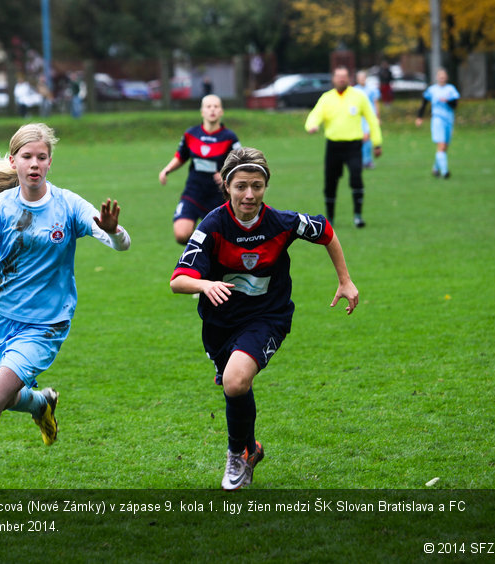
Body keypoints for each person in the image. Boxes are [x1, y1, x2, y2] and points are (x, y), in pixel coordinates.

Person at [0, 123, 130, 513]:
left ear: (50, 162)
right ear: (14, 160)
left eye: (42, 157)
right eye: (27, 157)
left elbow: (122, 243)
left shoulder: (68, 205)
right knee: (2, 399)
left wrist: (113, 232)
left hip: (45, 324)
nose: (35, 164)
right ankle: (41, 403)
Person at [170, 146, 359, 490]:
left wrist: (344, 280)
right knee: (235, 384)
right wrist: (207, 283)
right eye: (241, 185)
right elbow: (178, 280)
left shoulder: (281, 222)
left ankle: (236, 456)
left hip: (267, 317)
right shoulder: (212, 226)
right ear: (226, 186)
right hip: (219, 325)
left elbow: (325, 230)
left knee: (235, 380)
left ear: (265, 186)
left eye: (257, 186)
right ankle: (251, 448)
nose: (249, 194)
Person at [306, 66, 382, 228]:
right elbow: (315, 114)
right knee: (330, 182)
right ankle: (330, 218)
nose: (341, 79)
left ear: (349, 78)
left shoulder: (359, 97)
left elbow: (372, 119)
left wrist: (377, 143)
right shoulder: (327, 98)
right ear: (333, 79)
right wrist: (311, 125)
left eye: (344, 76)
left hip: (353, 146)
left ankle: (358, 216)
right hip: (333, 146)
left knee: (356, 178)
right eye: (338, 76)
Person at [158, 94, 241, 244]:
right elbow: (181, 156)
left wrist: (226, 177)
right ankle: (203, 248)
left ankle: (206, 254)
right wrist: (167, 170)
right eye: (208, 107)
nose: (212, 110)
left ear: (221, 111)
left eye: (216, 106)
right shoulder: (191, 134)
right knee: (181, 234)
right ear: (202, 111)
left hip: (218, 195)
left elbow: (239, 165)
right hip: (194, 191)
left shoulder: (230, 137)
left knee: (223, 240)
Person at [416, 68, 460, 179]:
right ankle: (445, 172)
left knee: (444, 148)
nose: (442, 78)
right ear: (437, 77)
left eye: (444, 76)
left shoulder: (451, 89)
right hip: (437, 120)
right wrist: (420, 117)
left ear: (446, 77)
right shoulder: (432, 90)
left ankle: (435, 169)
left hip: (449, 120)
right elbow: (424, 103)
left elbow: (455, 105)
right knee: (441, 145)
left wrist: (448, 101)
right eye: (440, 76)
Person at [353, 70, 381, 169]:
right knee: (360, 139)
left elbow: (376, 103)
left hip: (370, 117)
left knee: (367, 137)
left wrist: (378, 117)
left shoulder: (372, 90)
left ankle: (367, 160)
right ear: (357, 79)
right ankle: (360, 160)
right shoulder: (354, 90)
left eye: (363, 77)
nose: (362, 79)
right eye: (360, 78)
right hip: (358, 117)